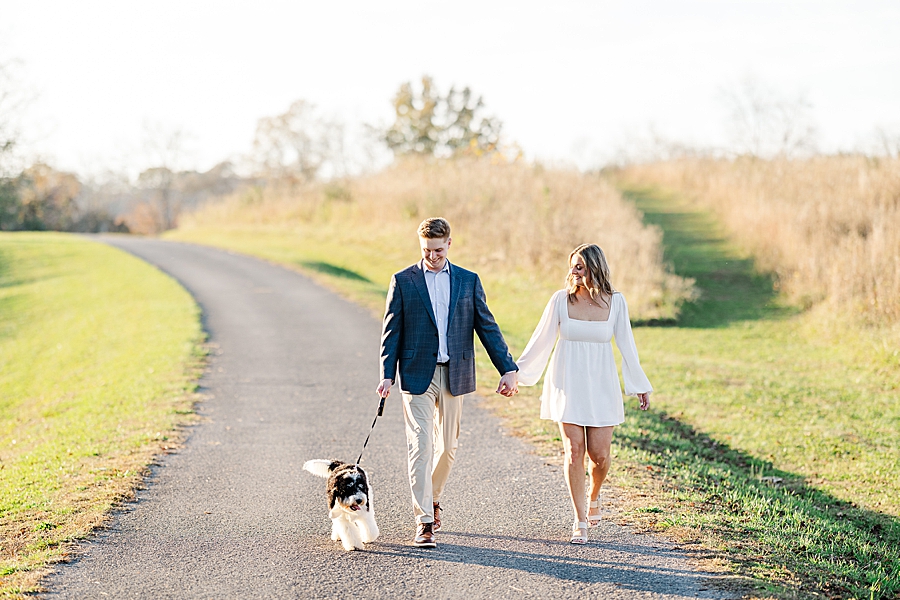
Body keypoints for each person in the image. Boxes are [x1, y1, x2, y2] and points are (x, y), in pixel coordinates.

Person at [377, 217, 518, 548]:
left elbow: (487, 327)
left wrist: (507, 368)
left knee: (447, 448)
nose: (432, 256)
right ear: (420, 245)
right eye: (426, 250)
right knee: (421, 445)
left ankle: (434, 496)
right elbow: (391, 331)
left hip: (455, 373)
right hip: (416, 374)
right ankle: (424, 520)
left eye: (438, 250)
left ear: (450, 244)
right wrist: (386, 374)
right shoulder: (403, 281)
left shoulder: (468, 281)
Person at [514, 244, 652, 544]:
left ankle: (594, 495)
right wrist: (515, 374)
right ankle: (579, 520)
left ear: (595, 268)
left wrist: (639, 384)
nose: (573, 272)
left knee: (599, 454)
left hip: (601, 384)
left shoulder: (616, 302)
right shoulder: (560, 301)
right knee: (574, 450)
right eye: (572, 266)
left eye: (580, 267)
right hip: (567, 382)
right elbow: (540, 341)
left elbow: (627, 344)